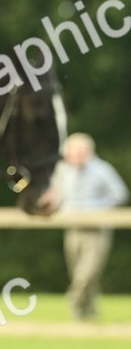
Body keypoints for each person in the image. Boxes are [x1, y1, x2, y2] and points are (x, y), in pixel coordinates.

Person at [53, 132, 128, 319]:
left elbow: (120, 193)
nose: (77, 156)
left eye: (81, 152)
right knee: (81, 275)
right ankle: (87, 315)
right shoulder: (62, 170)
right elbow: (56, 195)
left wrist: (99, 211)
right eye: (74, 152)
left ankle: (73, 299)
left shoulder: (101, 169)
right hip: (72, 228)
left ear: (89, 152)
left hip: (96, 230)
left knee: (86, 274)